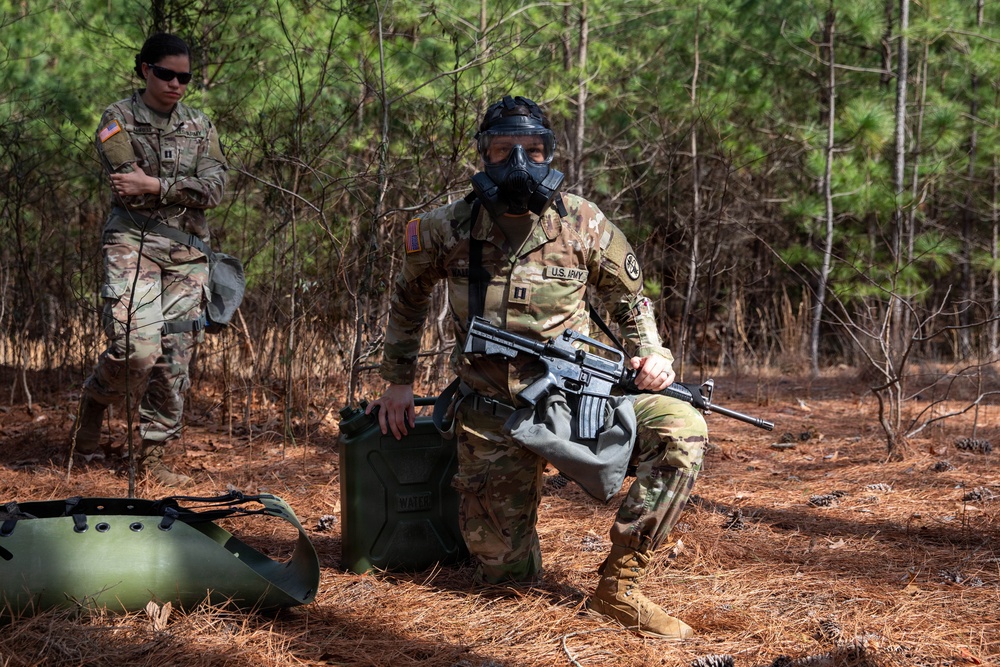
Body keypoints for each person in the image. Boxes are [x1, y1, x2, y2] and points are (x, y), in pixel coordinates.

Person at [368, 95, 707, 639]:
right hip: (491, 410)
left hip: (577, 401)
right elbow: (407, 299)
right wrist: (398, 383)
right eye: (503, 151)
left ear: (551, 153)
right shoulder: (446, 226)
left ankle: (621, 588)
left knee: (683, 429)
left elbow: (631, 300)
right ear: (483, 156)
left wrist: (653, 354)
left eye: (533, 150)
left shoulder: (582, 222)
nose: (519, 164)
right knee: (507, 580)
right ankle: (511, 536)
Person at [68, 32, 227, 487]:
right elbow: (125, 187)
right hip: (132, 244)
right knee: (136, 347)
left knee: (175, 355)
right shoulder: (117, 119)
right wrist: (182, 186)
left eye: (185, 77)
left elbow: (216, 187)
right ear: (145, 70)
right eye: (167, 74)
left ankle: (153, 454)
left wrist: (156, 185)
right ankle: (96, 400)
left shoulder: (200, 124)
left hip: (188, 251)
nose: (177, 84)